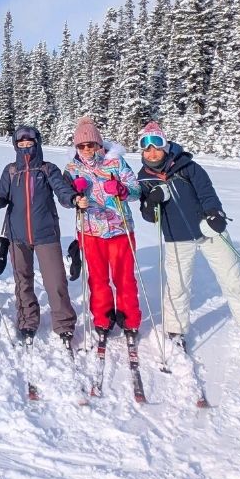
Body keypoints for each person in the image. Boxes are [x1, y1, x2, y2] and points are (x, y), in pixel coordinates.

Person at [135, 121, 240, 355]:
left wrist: (215, 213)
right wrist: (152, 201)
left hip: (208, 231)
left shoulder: (188, 167)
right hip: (176, 238)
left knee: (233, 280)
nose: (152, 152)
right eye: (146, 148)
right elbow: (149, 216)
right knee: (177, 286)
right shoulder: (144, 178)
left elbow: (207, 193)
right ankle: (175, 329)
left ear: (165, 146)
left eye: (156, 145)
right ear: (142, 151)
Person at [0, 125, 79, 347]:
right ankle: (27, 320)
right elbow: (1, 196)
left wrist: (73, 199)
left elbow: (62, 190)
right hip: (17, 236)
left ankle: (64, 324)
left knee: (55, 281)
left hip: (46, 233)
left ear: (37, 143)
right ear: (16, 146)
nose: (26, 147)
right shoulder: (11, 171)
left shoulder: (48, 169)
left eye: (30, 143)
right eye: (22, 144)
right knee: (23, 281)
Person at [63, 117, 143, 346]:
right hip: (90, 231)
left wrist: (121, 190)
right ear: (76, 147)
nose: (87, 150)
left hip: (120, 229)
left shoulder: (116, 163)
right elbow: (65, 198)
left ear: (99, 144)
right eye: (81, 146)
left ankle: (129, 319)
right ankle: (103, 318)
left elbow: (136, 191)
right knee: (97, 279)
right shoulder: (72, 168)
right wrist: (75, 196)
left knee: (124, 278)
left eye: (91, 145)